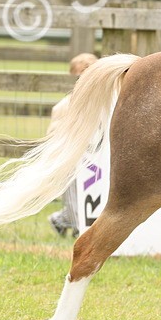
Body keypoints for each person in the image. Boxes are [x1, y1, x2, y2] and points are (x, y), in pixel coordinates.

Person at [48, 52, 100, 237]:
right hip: (71, 159)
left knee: (91, 196)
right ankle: (80, 230)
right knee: (73, 199)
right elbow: (55, 134)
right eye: (80, 76)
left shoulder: (101, 104)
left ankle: (60, 220)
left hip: (94, 159)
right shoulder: (64, 106)